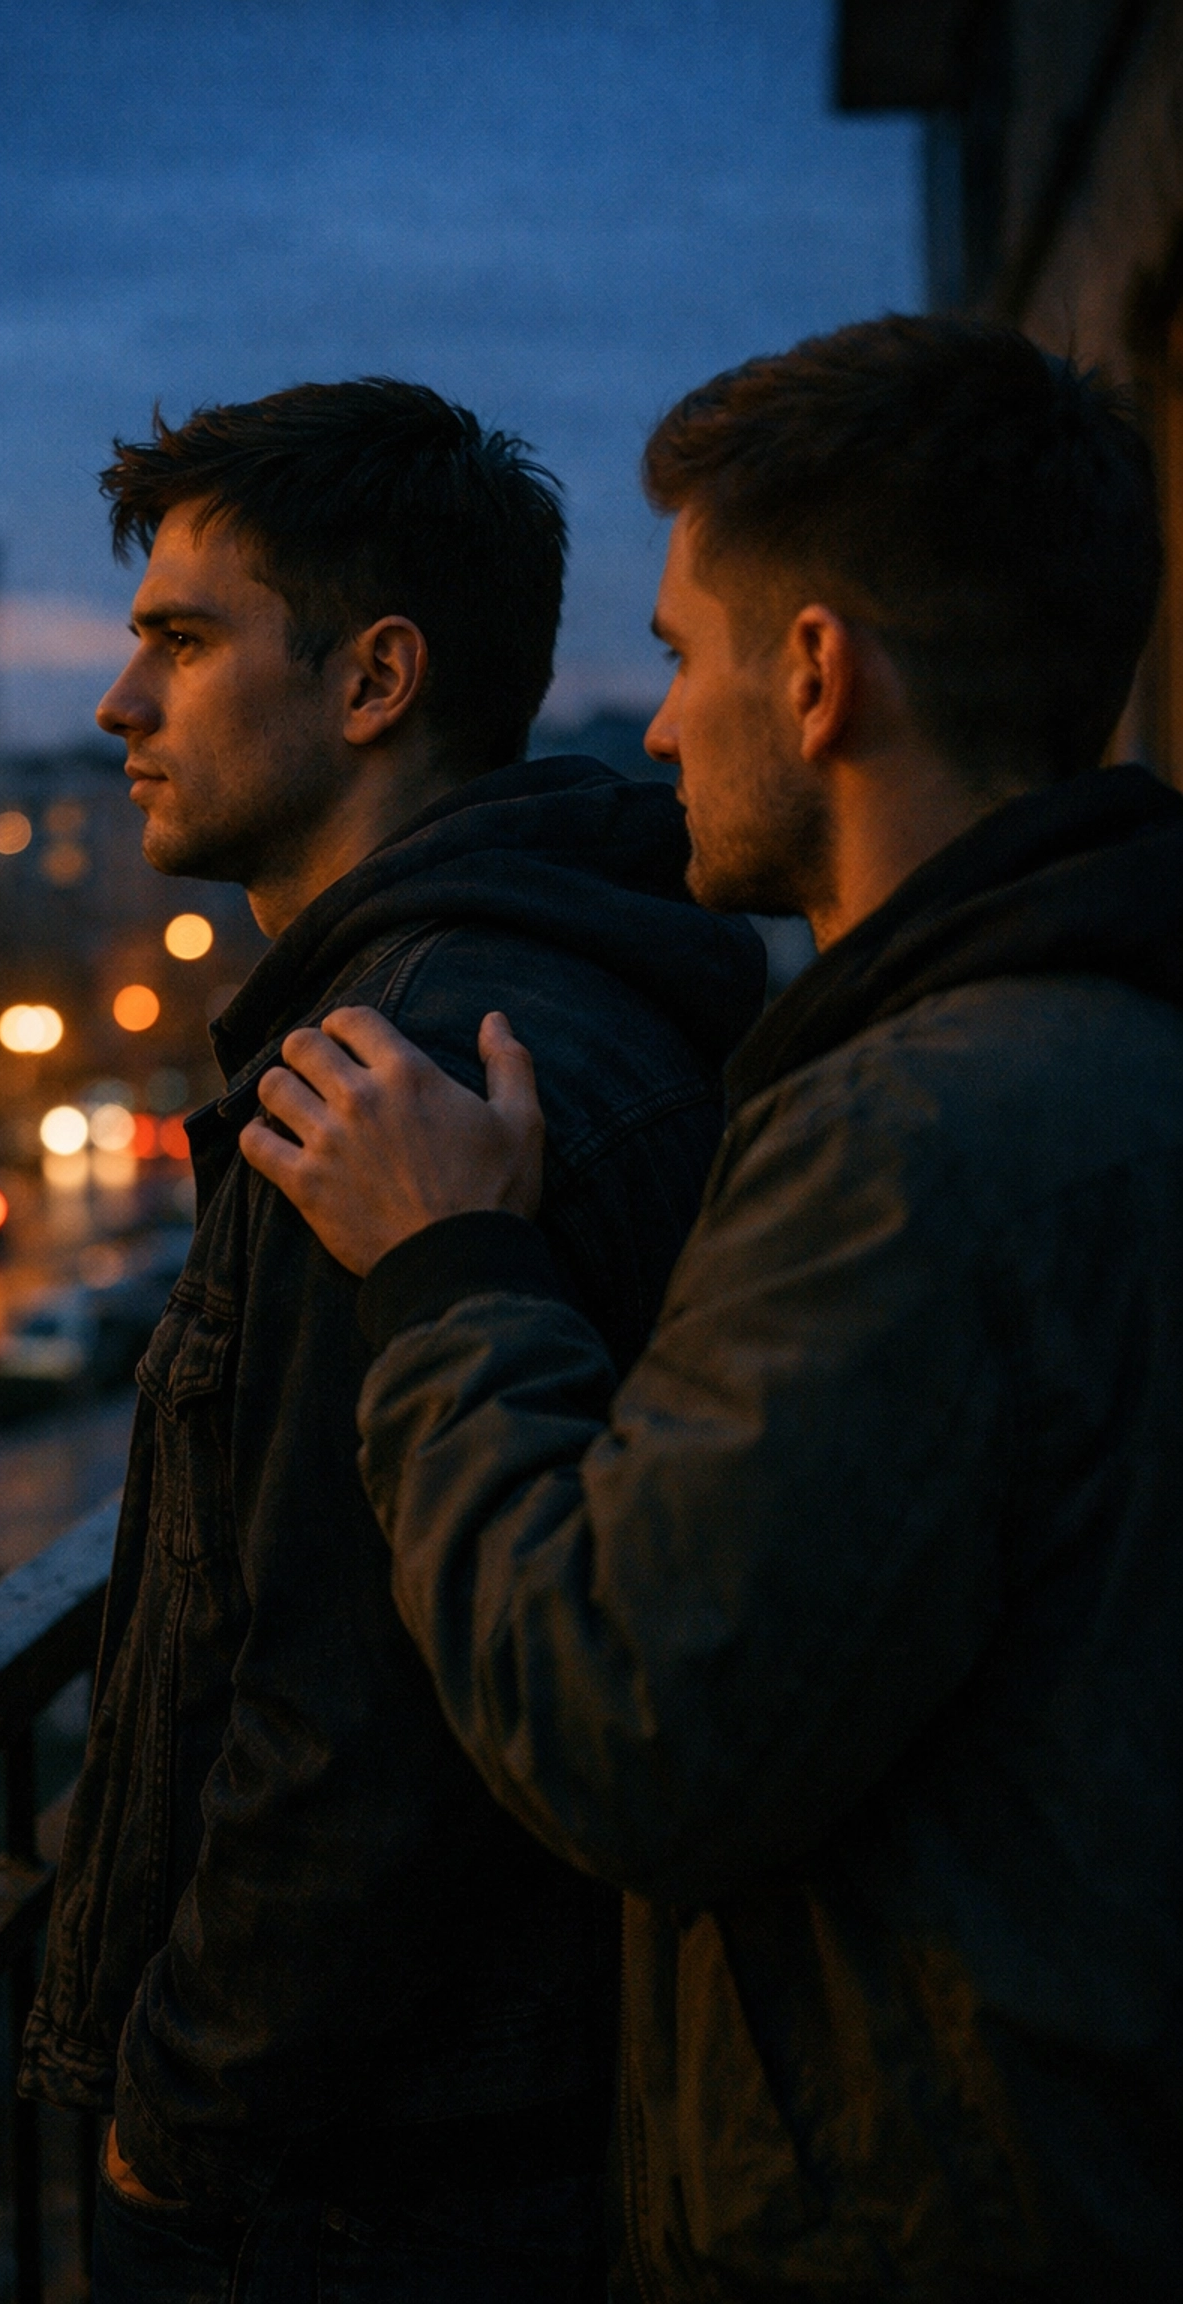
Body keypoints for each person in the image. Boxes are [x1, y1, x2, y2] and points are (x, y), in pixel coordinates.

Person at [240, 319, 1183, 2299]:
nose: (654, 731)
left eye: (683, 658)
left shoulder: (921, 1137)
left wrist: (449, 1271)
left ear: (821, 676)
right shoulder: (1103, 1049)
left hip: (947, 2218)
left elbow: (624, 1726)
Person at [18, 377, 767, 2300]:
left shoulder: (387, 1080)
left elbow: (347, 1727)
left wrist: (171, 2132)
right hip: (518, 2131)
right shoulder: (564, 997)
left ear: (374, 683)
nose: (121, 708)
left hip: (363, 2191)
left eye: (180, 642)